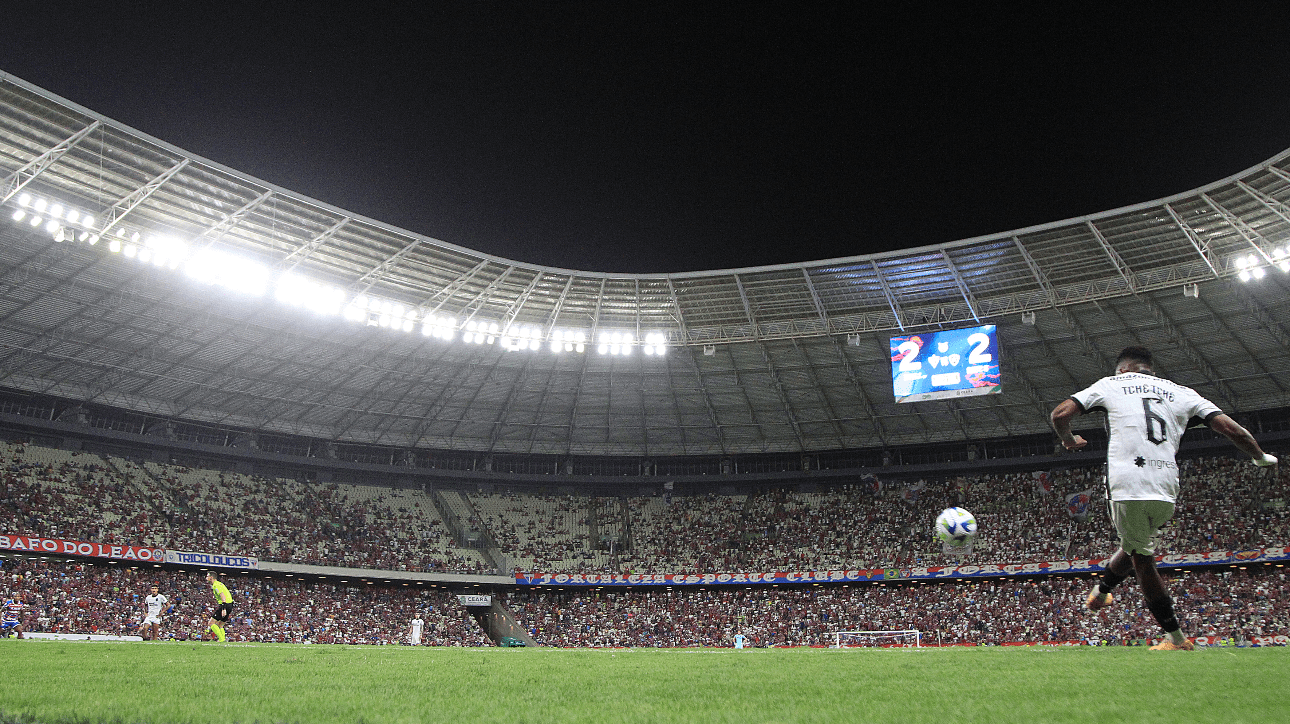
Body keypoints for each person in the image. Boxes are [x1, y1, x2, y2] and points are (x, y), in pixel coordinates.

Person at [1050, 346, 1278, 651]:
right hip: (1167, 485)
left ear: (1123, 369)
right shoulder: (1182, 392)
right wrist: (1260, 457)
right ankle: (1102, 590)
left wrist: (1068, 439)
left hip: (1128, 483)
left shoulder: (1111, 384)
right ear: (1150, 370)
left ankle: (1176, 638)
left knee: (1142, 558)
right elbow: (1232, 430)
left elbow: (1060, 414)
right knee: (1134, 545)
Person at [206, 571, 234, 643]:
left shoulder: (216, 585)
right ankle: (223, 639)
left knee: (211, 623)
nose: (206, 578)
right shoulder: (219, 584)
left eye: (207, 576)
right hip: (230, 604)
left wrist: (223, 608)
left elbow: (223, 596)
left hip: (225, 604)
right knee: (220, 624)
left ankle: (221, 639)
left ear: (211, 577)